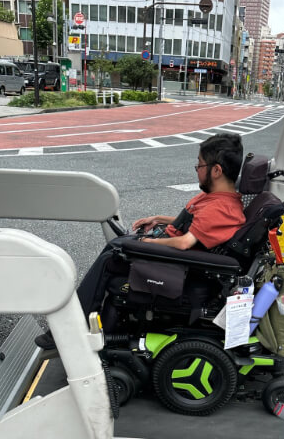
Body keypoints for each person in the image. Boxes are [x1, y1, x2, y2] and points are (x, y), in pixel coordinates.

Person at [35, 132, 245, 350]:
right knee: (117, 246)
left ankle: (69, 331)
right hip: (173, 255)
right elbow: (198, 226)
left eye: (199, 166)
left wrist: (149, 244)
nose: (197, 170)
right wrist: (158, 219)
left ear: (216, 170)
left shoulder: (220, 209)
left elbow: (184, 243)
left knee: (111, 256)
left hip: (177, 265)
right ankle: (85, 324)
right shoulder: (217, 200)